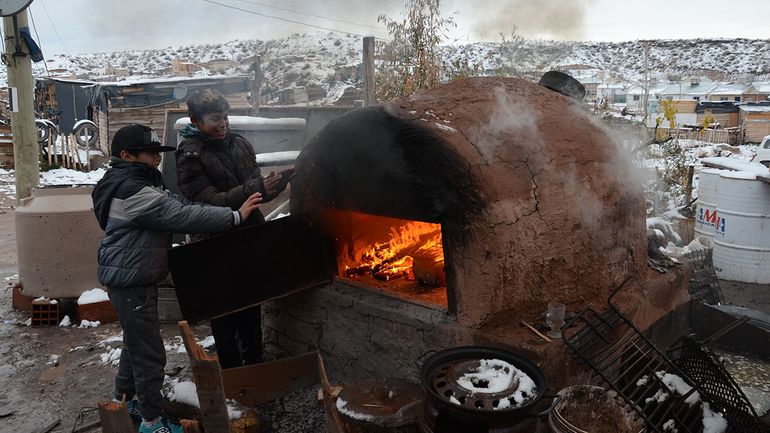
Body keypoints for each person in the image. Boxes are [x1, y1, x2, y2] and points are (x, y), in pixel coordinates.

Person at [92, 124, 262, 433]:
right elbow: (182, 215)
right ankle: (151, 422)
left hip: (131, 277)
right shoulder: (132, 190)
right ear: (126, 156)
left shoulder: (135, 183)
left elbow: (181, 205)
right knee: (150, 355)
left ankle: (123, 403)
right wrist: (235, 216)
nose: (157, 159)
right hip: (130, 281)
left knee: (135, 344)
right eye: (150, 154)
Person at [175, 88, 294, 369]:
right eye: (215, 119)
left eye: (225, 117)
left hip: (249, 235)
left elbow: (255, 192)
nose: (223, 124)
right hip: (216, 241)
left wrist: (274, 186)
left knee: (251, 302)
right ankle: (230, 370)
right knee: (225, 309)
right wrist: (255, 187)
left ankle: (254, 362)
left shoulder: (240, 144)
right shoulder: (190, 156)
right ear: (195, 121)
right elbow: (210, 202)